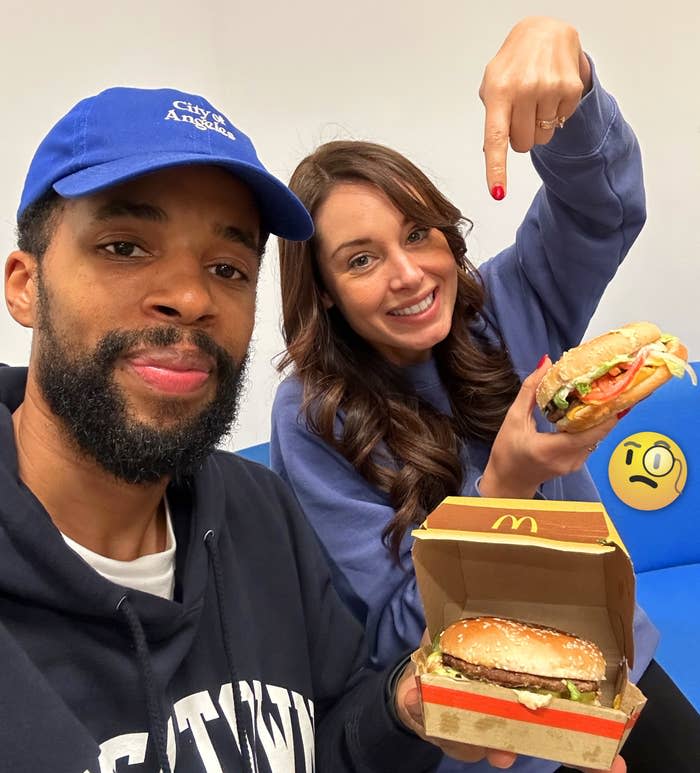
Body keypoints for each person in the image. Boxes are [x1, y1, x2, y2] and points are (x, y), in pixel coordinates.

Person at [0, 84, 543, 773]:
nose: (192, 298)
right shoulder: (314, 420)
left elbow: (338, 731)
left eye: (227, 267)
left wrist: (403, 709)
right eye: (125, 246)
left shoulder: (261, 514)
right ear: (24, 284)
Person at [271, 16, 699, 773]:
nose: (408, 273)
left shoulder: (508, 299)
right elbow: (393, 633)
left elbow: (604, 208)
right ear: (327, 293)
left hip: (616, 673)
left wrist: (571, 86)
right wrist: (507, 482)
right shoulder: (311, 416)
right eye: (363, 258)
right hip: (488, 735)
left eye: (419, 232)